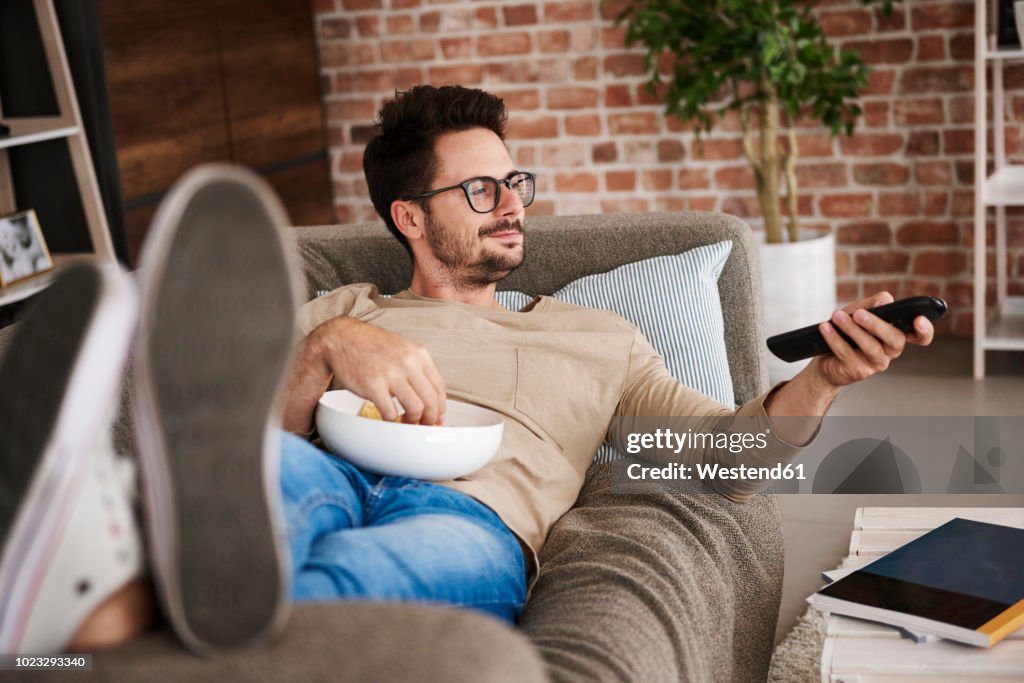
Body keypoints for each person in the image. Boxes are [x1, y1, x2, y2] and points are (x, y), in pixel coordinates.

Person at [0, 85, 935, 656]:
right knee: (257, 487)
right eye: (480, 189)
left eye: (514, 184)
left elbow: (727, 461)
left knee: (341, 581)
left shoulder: (598, 337)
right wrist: (324, 351)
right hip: (321, 464)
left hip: (471, 518)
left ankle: (90, 626)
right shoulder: (343, 312)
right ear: (411, 217)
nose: (510, 204)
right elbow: (243, 437)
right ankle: (96, 556)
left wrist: (820, 384)